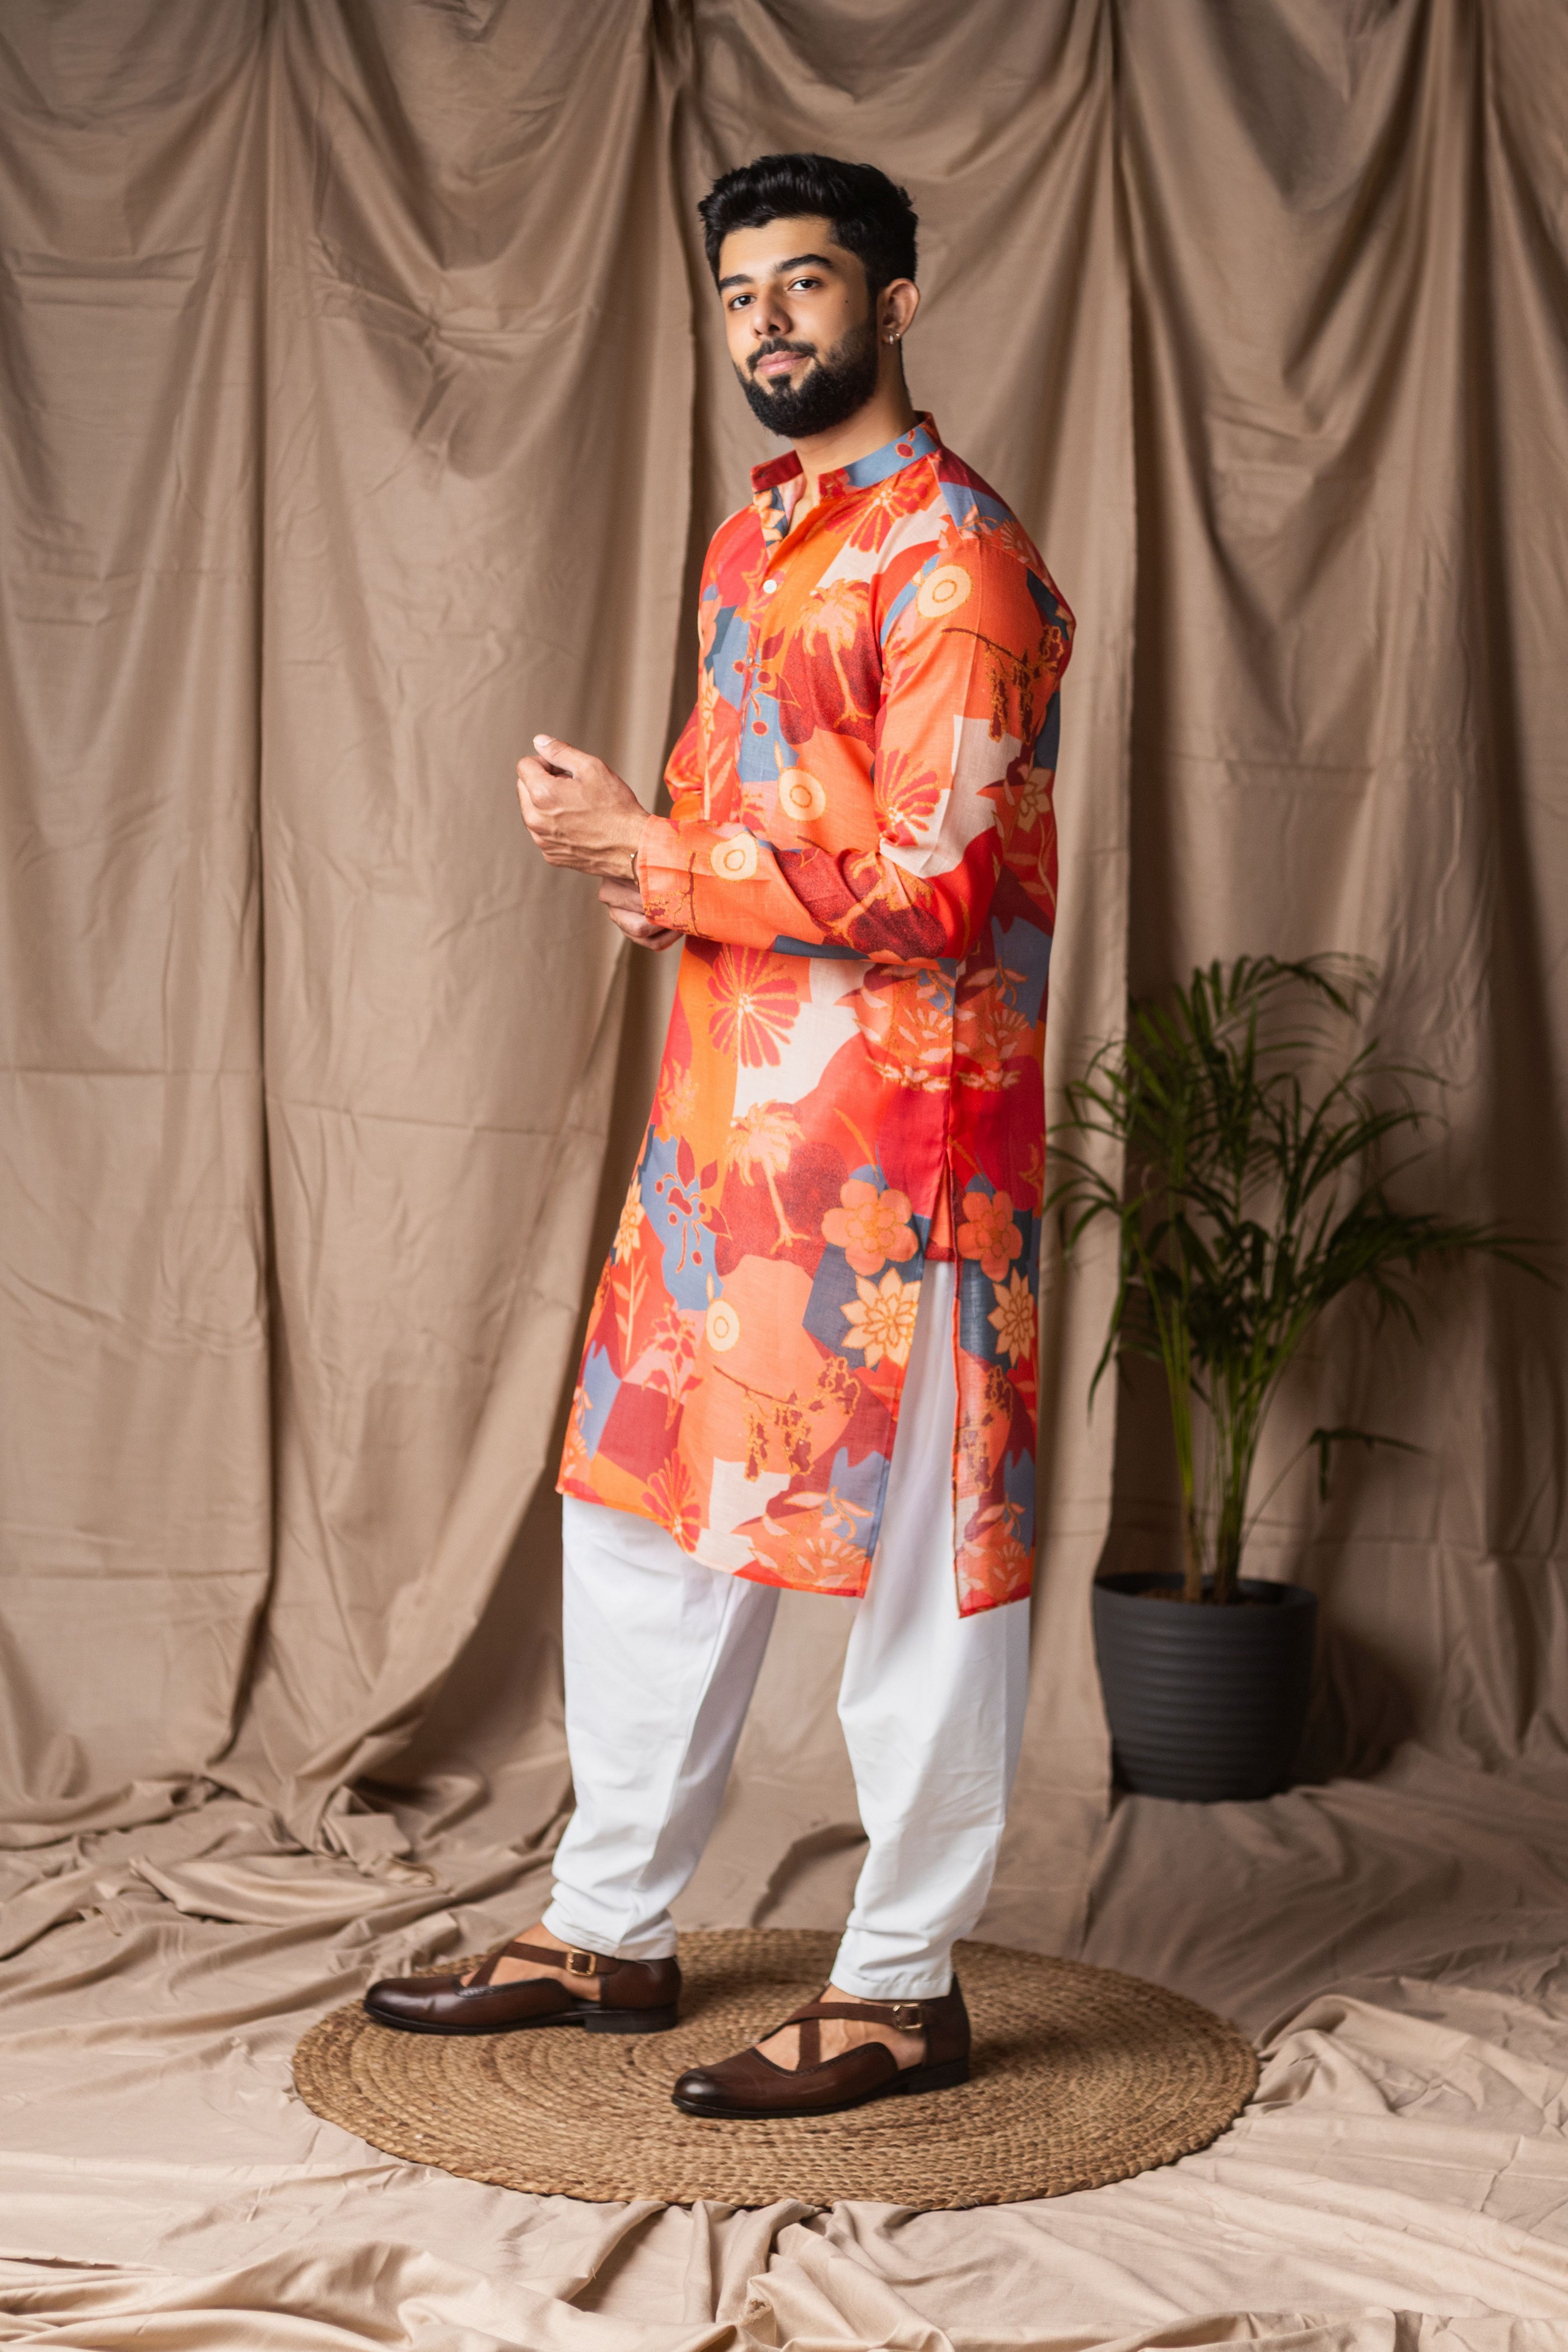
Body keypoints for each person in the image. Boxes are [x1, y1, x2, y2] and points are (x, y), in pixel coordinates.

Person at [365, 152, 1074, 2120]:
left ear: (895, 305)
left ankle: (903, 1985)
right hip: (722, 1144)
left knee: (926, 1576)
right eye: (744, 292)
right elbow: (736, 822)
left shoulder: (959, 564)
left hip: (906, 1170)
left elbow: (937, 886)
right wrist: (633, 857)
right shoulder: (751, 541)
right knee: (633, 1524)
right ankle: (608, 1928)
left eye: (809, 284)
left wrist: (660, 853)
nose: (769, 321)